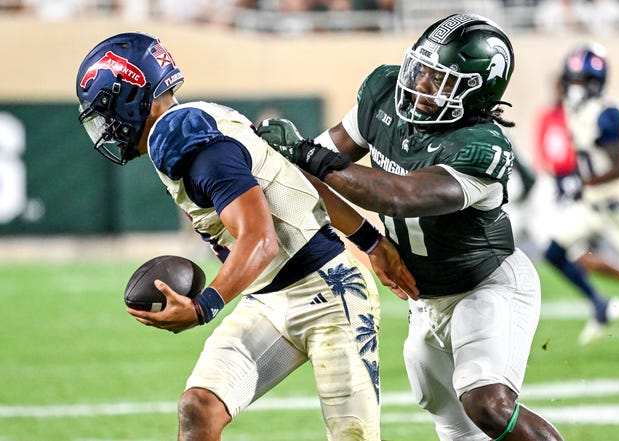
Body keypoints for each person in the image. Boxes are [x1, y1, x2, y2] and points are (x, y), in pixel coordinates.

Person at [75, 32, 417, 441]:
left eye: (106, 111)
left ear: (132, 96)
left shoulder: (182, 140)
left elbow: (260, 238)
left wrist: (204, 305)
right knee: (199, 408)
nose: (105, 126)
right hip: (270, 299)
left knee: (353, 436)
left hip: (330, 297)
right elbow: (297, 181)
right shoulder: (200, 118)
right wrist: (371, 243)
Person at [258, 13, 564, 441]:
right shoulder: (384, 92)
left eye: (440, 81)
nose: (419, 85)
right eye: (421, 70)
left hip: (485, 285)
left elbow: (400, 195)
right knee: (455, 426)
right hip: (425, 300)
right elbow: (315, 165)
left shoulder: (483, 146)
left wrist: (305, 154)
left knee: (488, 405)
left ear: (477, 93)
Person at [540, 43, 619, 344]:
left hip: (617, 203)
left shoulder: (606, 113)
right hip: (592, 205)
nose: (576, 86)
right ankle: (599, 304)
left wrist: (583, 183)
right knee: (553, 251)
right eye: (574, 79)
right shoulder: (571, 107)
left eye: (583, 80)